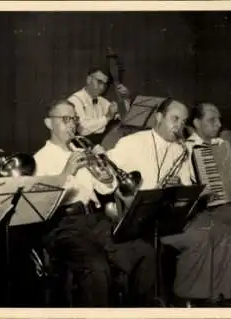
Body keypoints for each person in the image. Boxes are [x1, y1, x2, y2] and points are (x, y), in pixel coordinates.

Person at [106, 99, 231, 306]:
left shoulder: (180, 149)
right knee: (199, 236)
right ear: (158, 117)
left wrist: (182, 188)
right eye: (174, 119)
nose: (178, 126)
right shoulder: (131, 143)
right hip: (141, 220)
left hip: (169, 216)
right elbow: (108, 175)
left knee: (222, 229)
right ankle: (189, 298)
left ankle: (220, 294)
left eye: (182, 121)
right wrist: (125, 194)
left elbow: (186, 185)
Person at [33, 99, 156, 307]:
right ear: (48, 123)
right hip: (63, 226)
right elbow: (44, 206)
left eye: (73, 118)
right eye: (65, 119)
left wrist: (106, 171)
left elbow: (104, 189)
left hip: (95, 221)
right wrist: (66, 173)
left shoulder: (81, 150)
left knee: (143, 252)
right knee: (96, 267)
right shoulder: (39, 160)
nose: (72, 124)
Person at [187, 102, 231, 300]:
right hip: (210, 210)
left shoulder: (224, 145)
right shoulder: (187, 149)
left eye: (219, 119)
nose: (218, 124)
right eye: (212, 120)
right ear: (196, 123)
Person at [67, 64, 130, 145]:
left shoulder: (102, 101)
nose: (102, 87)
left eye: (105, 84)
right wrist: (108, 117)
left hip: (99, 144)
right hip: (81, 146)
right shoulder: (74, 100)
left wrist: (126, 98)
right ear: (89, 80)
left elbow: (124, 117)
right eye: (99, 82)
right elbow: (83, 129)